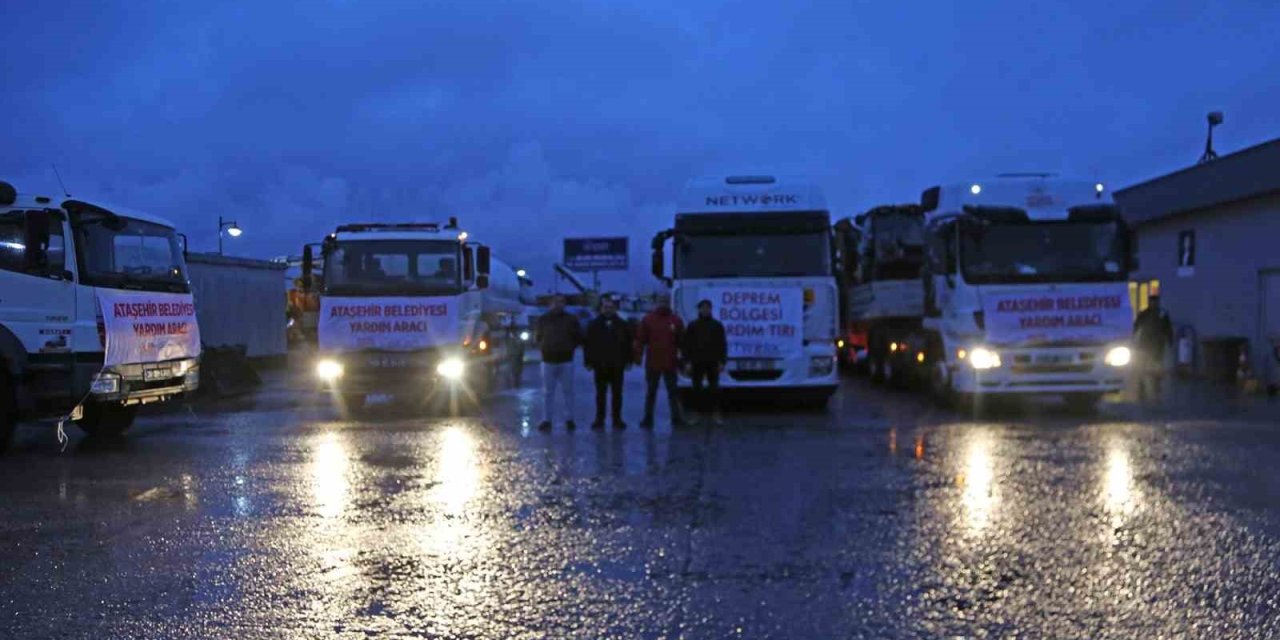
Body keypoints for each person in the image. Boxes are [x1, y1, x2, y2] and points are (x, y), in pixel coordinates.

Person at [635, 296, 685, 429]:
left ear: (669, 303)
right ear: (657, 303)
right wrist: (637, 356)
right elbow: (640, 340)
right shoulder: (648, 320)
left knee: (673, 392)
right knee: (651, 392)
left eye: (666, 302)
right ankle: (648, 418)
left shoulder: (676, 320)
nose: (663, 304)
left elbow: (682, 342)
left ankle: (676, 417)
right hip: (653, 362)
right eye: (661, 301)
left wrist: (683, 360)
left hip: (670, 361)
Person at [583, 298, 633, 430]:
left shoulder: (622, 325)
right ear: (601, 309)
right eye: (605, 307)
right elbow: (588, 345)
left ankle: (617, 419)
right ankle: (599, 419)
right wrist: (588, 361)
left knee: (617, 394)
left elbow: (628, 344)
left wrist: (629, 360)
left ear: (615, 309)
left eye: (610, 307)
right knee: (600, 394)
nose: (608, 310)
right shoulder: (594, 325)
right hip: (600, 365)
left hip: (617, 365)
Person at [535, 295, 582, 431]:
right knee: (547, 392)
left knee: (568, 391)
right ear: (550, 304)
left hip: (566, 360)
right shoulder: (543, 320)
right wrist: (544, 347)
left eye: (561, 302)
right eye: (556, 302)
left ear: (565, 304)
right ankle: (546, 419)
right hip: (548, 360)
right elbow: (538, 336)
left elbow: (578, 336)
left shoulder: (571, 320)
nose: (558, 304)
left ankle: (569, 419)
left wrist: (570, 347)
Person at [682, 299, 728, 425]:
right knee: (697, 389)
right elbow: (687, 345)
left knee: (714, 389)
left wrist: (722, 362)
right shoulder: (692, 325)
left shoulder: (717, 325)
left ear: (711, 309)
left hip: (713, 362)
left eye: (707, 308)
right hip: (696, 362)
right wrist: (687, 362)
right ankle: (697, 414)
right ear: (699, 310)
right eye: (703, 308)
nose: (705, 310)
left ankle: (715, 414)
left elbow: (722, 345)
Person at [1133, 294, 1174, 401]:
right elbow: (1136, 326)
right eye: (1152, 302)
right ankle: (1142, 385)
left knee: (1157, 364)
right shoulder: (1144, 314)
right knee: (1143, 364)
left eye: (1155, 302)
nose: (1153, 304)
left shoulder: (1162, 314)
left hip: (1157, 344)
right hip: (1146, 343)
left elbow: (1168, 328)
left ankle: (1156, 384)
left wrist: (1170, 339)